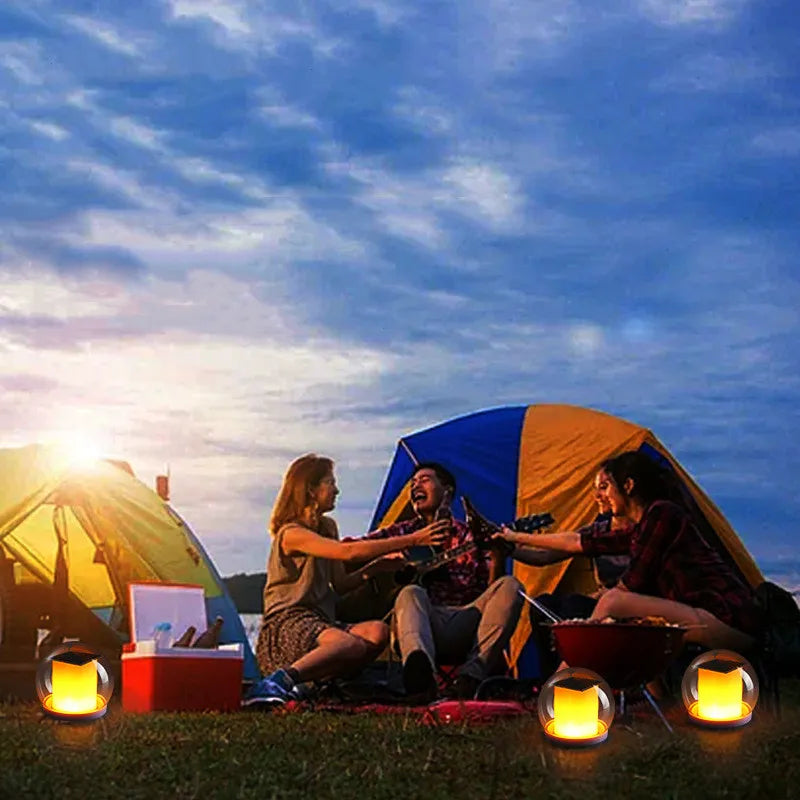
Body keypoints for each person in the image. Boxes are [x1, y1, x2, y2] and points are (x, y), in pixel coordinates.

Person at [495, 451, 762, 653]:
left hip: (726, 620)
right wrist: (513, 539)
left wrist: (591, 619)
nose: (602, 496)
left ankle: (566, 684)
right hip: (699, 617)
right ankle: (656, 702)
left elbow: (633, 583)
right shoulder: (642, 526)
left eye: (606, 486)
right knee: (627, 616)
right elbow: (576, 542)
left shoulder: (662, 514)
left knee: (615, 604)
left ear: (629, 486)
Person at [244, 454, 449, 705]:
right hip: (286, 625)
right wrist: (414, 539)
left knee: (378, 632)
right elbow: (347, 552)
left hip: (319, 622)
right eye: (330, 483)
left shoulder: (328, 526)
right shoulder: (291, 533)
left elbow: (340, 584)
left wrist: (377, 567)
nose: (336, 490)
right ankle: (278, 681)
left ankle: (319, 684)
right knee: (349, 644)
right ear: (310, 489)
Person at [365, 462, 524, 700]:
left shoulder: (470, 535)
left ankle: (470, 678)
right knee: (410, 592)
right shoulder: (402, 532)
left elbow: (492, 596)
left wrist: (497, 556)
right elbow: (352, 549)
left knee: (511, 586)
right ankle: (421, 678)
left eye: (425, 480)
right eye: (413, 483)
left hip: (467, 622)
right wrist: (394, 553)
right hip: (421, 624)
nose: (415, 486)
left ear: (447, 492)